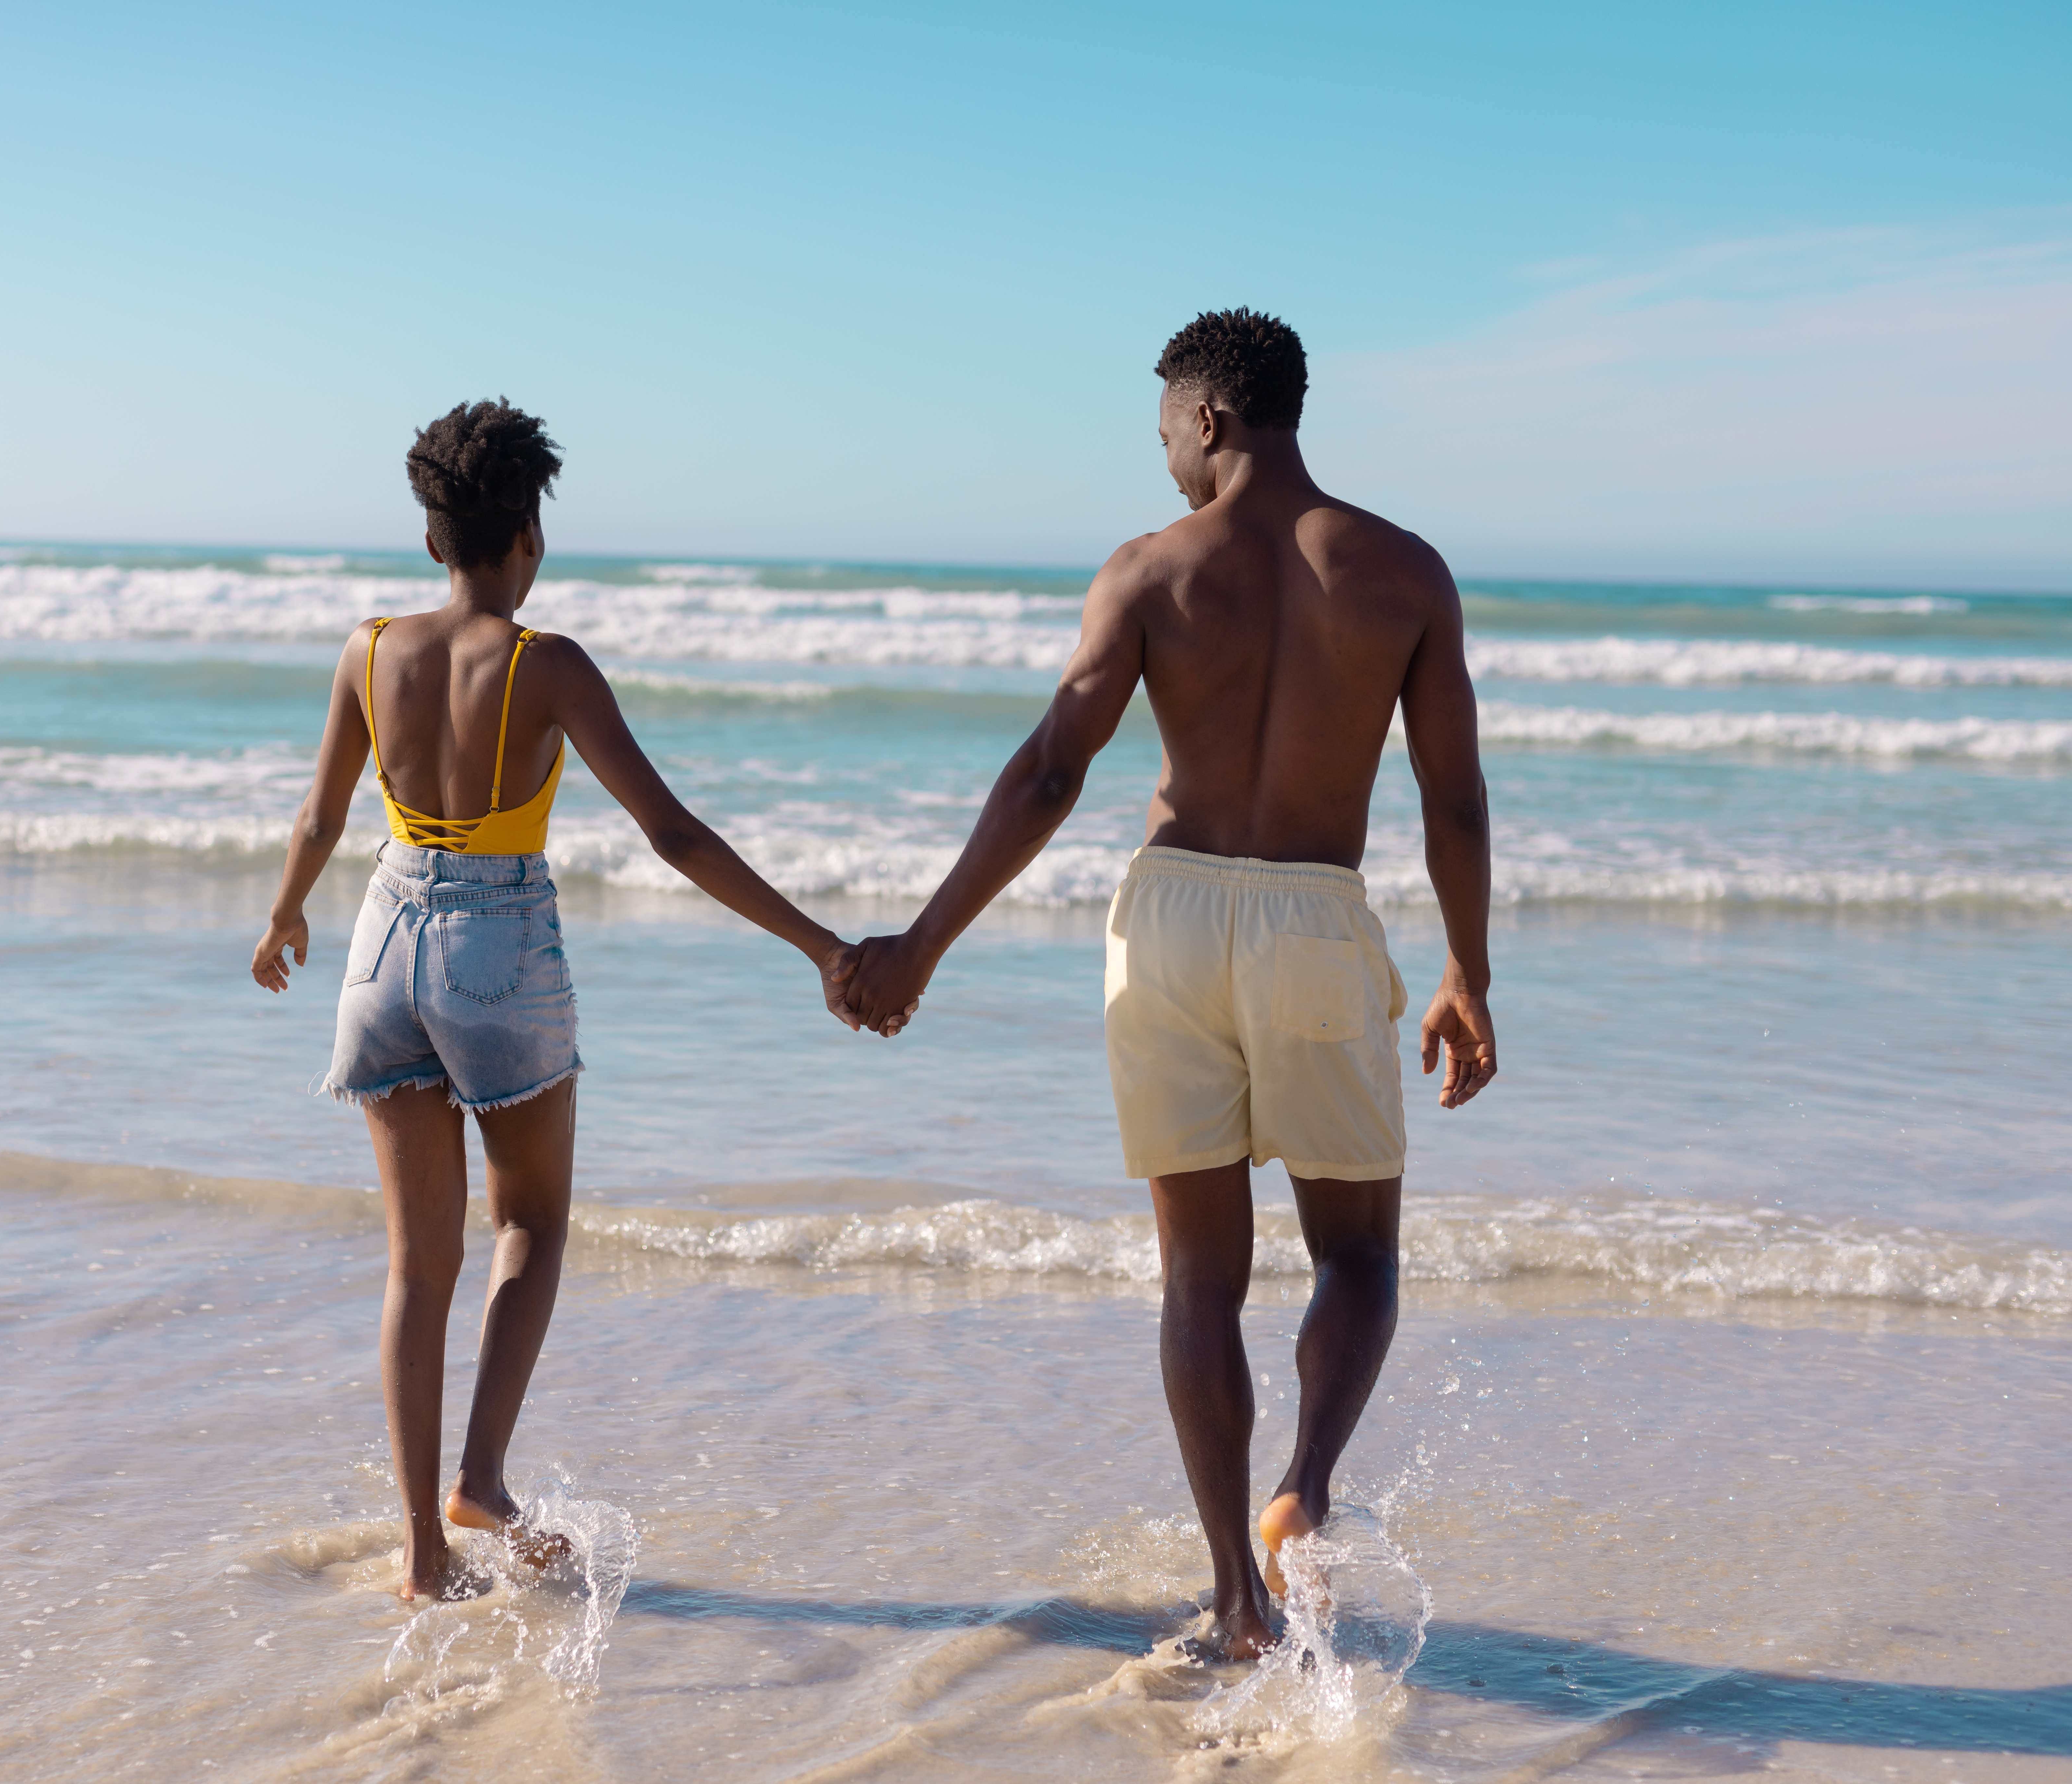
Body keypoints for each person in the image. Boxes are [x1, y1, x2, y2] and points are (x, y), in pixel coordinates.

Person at [836, 310, 1498, 1659]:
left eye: (1163, 440)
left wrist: (921, 941)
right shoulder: (1403, 571)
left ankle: (1234, 1602)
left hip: (1170, 914)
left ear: (1208, 419)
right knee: (1357, 1254)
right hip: (1314, 914)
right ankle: (1302, 1490)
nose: (1164, 469)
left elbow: (1046, 771)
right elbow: (1453, 801)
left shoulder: (1149, 571)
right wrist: (1465, 971)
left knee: (1199, 1276)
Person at [253, 399, 856, 1602]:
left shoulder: (368, 649)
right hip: (498, 948)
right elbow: (672, 832)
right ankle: (482, 1476)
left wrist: (284, 912)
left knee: (414, 1267)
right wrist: (820, 944)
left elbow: (324, 813)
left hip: (379, 944)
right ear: (530, 535)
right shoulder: (547, 665)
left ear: (434, 541)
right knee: (527, 1226)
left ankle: (426, 1553)